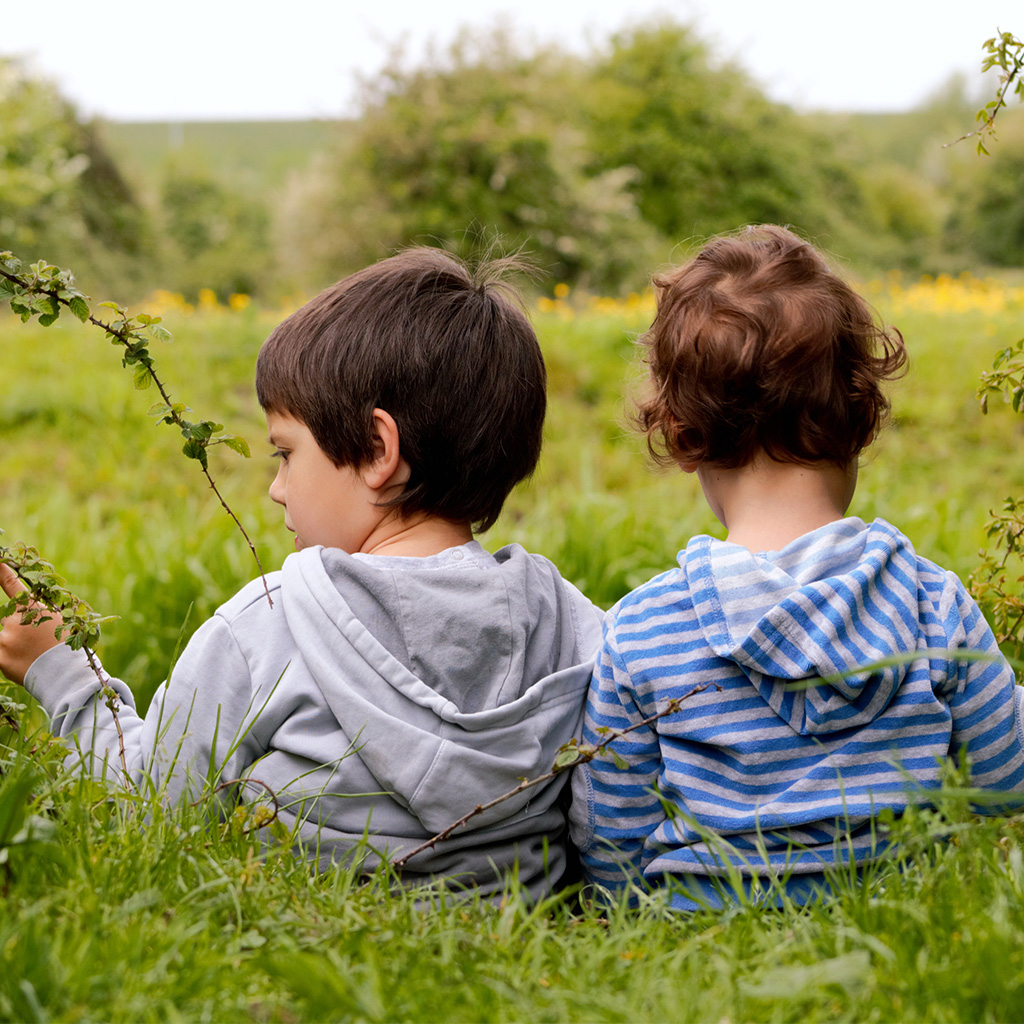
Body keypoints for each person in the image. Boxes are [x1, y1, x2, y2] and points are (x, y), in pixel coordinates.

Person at [0, 247, 603, 900]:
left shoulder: (270, 624)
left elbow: (148, 812)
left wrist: (59, 672)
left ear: (378, 451)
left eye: (286, 452)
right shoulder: (572, 624)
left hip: (299, 959)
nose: (275, 490)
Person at [569, 225, 1024, 909]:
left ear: (683, 437)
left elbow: (611, 836)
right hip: (898, 917)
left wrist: (620, 911)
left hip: (696, 934)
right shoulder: (934, 605)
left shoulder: (643, 630)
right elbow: (1006, 784)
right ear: (863, 416)